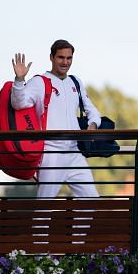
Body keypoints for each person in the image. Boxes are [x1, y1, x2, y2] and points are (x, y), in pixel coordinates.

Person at [11, 39, 101, 198]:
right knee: (45, 207)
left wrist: (92, 125)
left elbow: (92, 110)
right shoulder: (40, 82)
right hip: (51, 153)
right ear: (51, 57)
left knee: (92, 202)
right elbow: (18, 103)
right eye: (61, 57)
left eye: (69, 58)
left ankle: (78, 225)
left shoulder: (75, 82)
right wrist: (19, 80)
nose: (65, 62)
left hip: (75, 152)